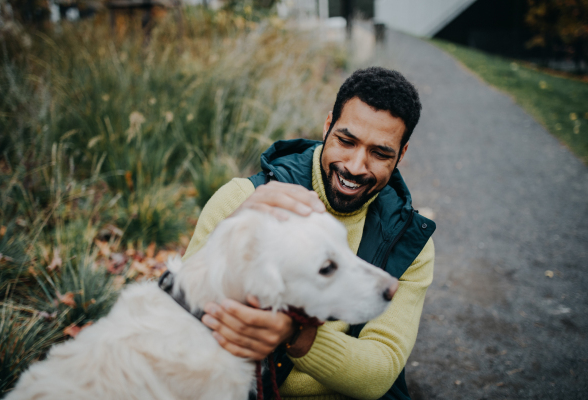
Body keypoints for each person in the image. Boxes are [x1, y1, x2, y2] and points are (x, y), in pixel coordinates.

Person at [182, 67, 436, 400]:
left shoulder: (411, 243)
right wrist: (232, 231)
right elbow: (179, 314)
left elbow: (380, 372)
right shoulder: (241, 201)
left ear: (401, 154)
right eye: (346, 141)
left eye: (380, 153)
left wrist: (296, 334)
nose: (356, 166)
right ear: (327, 124)